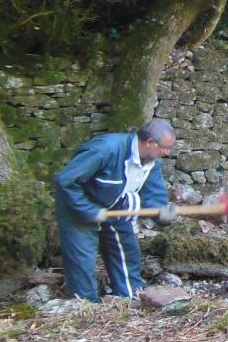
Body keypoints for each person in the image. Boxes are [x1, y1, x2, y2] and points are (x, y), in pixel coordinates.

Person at [53, 118, 178, 302]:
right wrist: (88, 210)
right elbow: (65, 181)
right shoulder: (105, 150)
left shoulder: (152, 164)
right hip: (79, 208)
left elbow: (154, 198)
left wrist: (163, 214)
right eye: (165, 148)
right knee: (82, 263)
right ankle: (85, 308)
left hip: (117, 208)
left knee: (128, 253)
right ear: (150, 142)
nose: (167, 153)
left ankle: (131, 300)